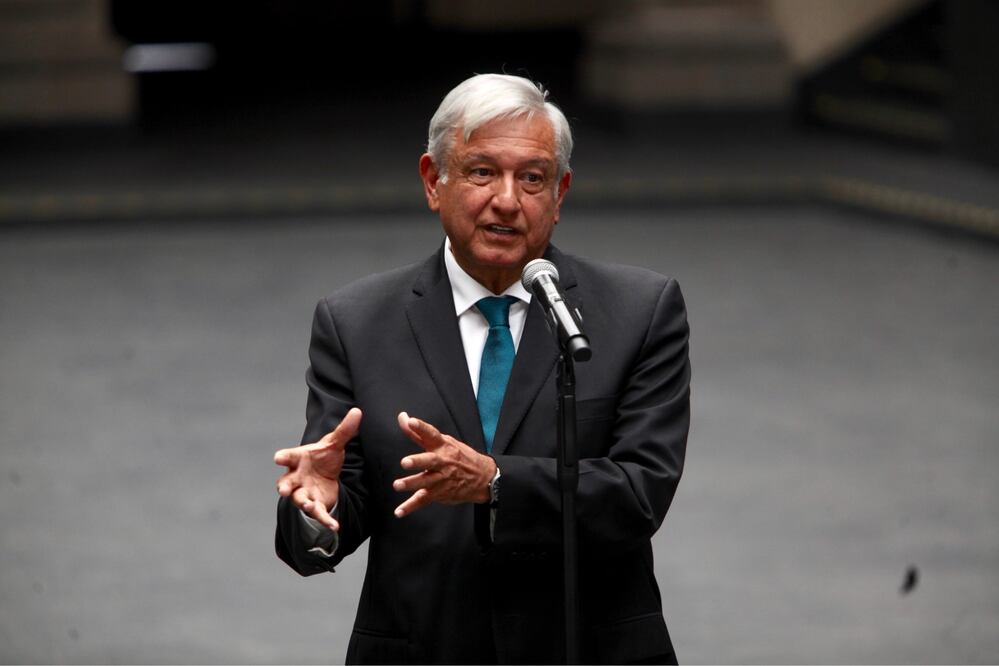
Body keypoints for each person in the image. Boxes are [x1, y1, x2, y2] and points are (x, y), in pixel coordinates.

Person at [274, 73, 690, 664]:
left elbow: (640, 494)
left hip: (588, 648)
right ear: (433, 181)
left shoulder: (637, 311)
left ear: (560, 194)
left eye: (532, 178)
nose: (507, 200)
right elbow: (334, 513)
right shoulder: (356, 322)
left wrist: (496, 482)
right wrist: (321, 505)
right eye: (481, 172)